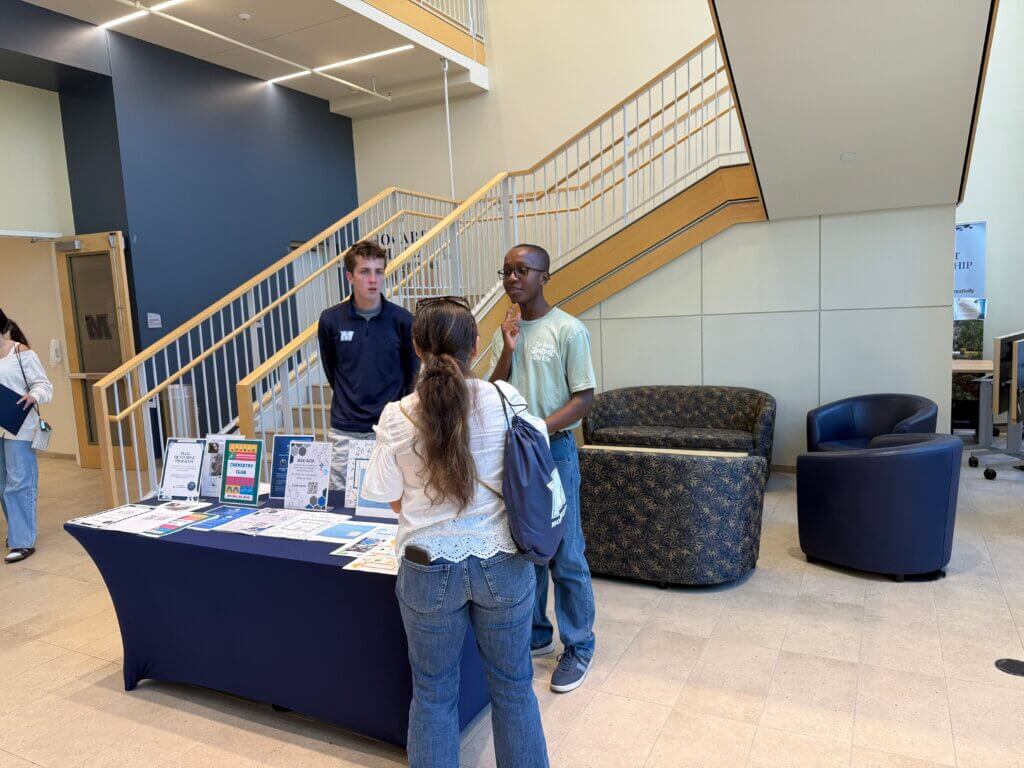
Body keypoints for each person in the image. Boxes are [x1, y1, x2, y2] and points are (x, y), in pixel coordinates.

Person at [362, 297, 549, 768]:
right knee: (512, 687)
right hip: (503, 562)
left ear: (417, 346)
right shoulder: (507, 399)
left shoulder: (396, 416)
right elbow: (538, 467)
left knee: (432, 695)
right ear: (476, 345)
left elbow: (390, 495)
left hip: (427, 569)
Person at [489, 244, 597, 693]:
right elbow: (495, 388)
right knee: (526, 551)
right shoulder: (509, 330)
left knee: (566, 552)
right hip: (517, 457)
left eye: (522, 270)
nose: (513, 278)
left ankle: (580, 645)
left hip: (553, 453)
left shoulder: (568, 330)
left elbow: (584, 400)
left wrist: (537, 427)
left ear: (544, 276)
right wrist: (508, 347)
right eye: (507, 271)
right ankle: (536, 636)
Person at [317, 240, 418, 490]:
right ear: (350, 276)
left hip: (390, 430)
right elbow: (333, 370)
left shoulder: (403, 321)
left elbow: (411, 375)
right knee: (340, 503)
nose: (373, 279)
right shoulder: (330, 320)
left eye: (379, 271)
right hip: (346, 431)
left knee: (391, 502)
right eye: (364, 272)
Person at [0, 308, 53, 564]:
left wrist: (34, 395)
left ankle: (23, 541)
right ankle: (17, 532)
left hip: (19, 426)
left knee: (19, 481)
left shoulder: (20, 353)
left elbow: (44, 385)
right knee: (2, 484)